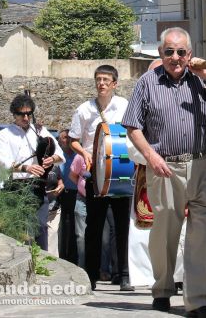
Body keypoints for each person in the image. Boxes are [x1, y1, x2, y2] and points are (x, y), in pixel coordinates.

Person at [123, 27, 206, 318]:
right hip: (165, 167)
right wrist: (151, 156)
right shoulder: (147, 83)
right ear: (160, 53)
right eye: (169, 52)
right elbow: (132, 125)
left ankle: (198, 300)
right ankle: (163, 288)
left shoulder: (202, 81)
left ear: (190, 54)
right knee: (165, 232)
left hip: (203, 164)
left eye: (181, 52)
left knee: (202, 236)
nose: (176, 58)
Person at [69, 64, 134, 292]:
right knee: (94, 227)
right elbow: (73, 139)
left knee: (123, 226)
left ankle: (124, 275)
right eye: (98, 79)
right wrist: (84, 152)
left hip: (121, 172)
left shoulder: (125, 106)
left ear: (115, 83)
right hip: (95, 174)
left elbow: (133, 132)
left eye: (106, 80)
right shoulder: (84, 109)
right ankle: (91, 275)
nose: (102, 83)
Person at [0, 94, 65, 250]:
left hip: (37, 185)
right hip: (15, 186)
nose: (26, 117)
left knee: (40, 227)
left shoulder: (40, 131)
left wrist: (51, 159)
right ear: (14, 114)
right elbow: (3, 161)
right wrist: (25, 167)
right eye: (22, 114)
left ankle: (42, 263)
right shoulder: (4, 135)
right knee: (18, 228)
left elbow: (60, 154)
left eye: (29, 113)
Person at [56, 129, 79, 264]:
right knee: (65, 226)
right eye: (61, 138)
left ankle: (75, 256)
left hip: (77, 194)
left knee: (76, 226)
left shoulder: (77, 155)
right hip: (64, 194)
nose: (63, 140)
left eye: (65, 138)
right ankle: (64, 256)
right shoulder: (59, 156)